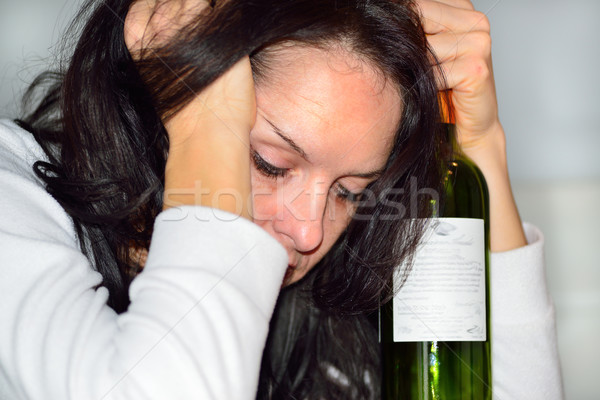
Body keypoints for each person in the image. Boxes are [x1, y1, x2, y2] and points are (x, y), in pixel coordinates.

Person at [0, 0, 563, 399]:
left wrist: (480, 145)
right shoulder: (12, 197)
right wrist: (208, 132)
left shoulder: (330, 316)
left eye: (348, 192)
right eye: (270, 162)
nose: (310, 233)